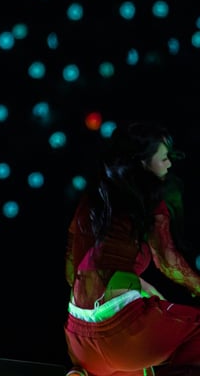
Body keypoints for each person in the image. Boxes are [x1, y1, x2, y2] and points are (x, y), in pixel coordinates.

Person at [64, 121, 200, 376]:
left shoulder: (95, 198)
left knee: (138, 363)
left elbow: (73, 268)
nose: (169, 165)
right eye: (164, 158)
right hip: (123, 336)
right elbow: (169, 263)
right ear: (142, 163)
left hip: (78, 337)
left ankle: (82, 372)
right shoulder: (150, 201)